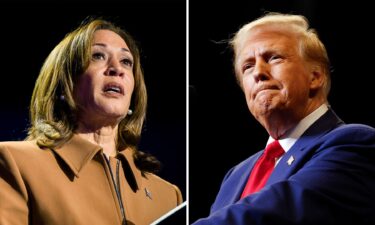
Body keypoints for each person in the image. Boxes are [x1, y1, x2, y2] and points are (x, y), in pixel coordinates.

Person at [192, 12, 375, 225]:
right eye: (247, 66)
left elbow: (279, 211)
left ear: (315, 76)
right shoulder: (235, 176)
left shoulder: (355, 143)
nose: (258, 73)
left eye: (274, 57)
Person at [0, 18, 182, 225]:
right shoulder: (15, 163)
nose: (117, 69)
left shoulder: (168, 196)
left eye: (126, 62)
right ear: (65, 82)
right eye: (97, 56)